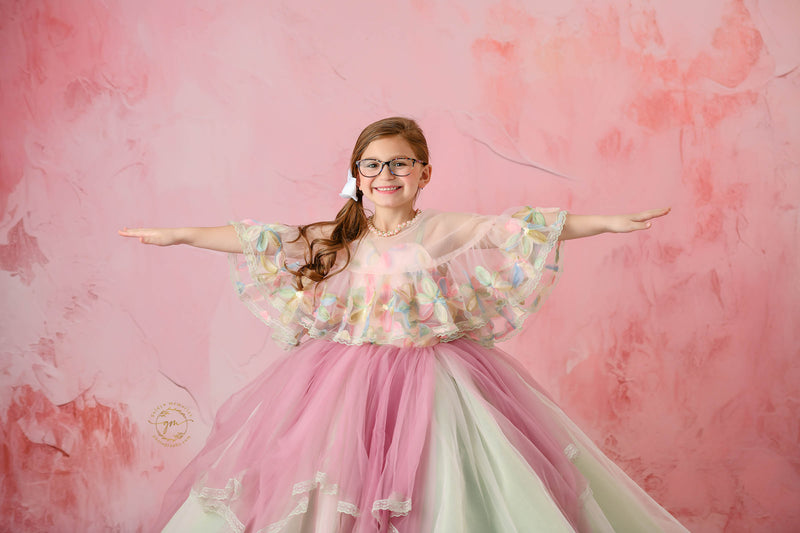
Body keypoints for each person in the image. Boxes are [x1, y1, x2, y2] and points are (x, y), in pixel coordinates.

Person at [120, 117, 688, 532]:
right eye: (372, 164)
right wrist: (181, 235)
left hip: (435, 373)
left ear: (423, 173)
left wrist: (609, 222)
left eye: (399, 163)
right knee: (334, 471)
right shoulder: (339, 236)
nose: (385, 173)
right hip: (345, 374)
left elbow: (517, 231)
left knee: (442, 468)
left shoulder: (441, 229)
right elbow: (262, 238)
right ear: (357, 175)